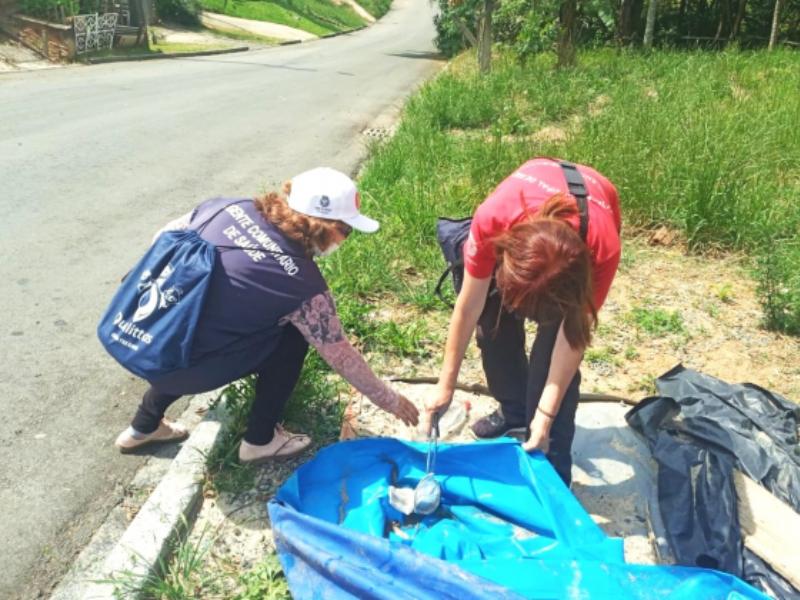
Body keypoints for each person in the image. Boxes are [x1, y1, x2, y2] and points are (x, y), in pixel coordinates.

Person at [114, 167, 419, 463]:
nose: (346, 239)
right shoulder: (302, 284)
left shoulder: (226, 207)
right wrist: (391, 401)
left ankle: (143, 425)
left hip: (144, 333)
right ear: (323, 226)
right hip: (182, 366)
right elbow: (340, 355)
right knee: (292, 338)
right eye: (346, 229)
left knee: (202, 324)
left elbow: (163, 237)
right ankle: (259, 441)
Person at [421, 158, 621, 485]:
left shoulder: (602, 249)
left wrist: (545, 416)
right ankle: (513, 410)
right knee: (491, 326)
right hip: (518, 226)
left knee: (550, 372)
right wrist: (445, 386)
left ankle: (552, 474)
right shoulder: (492, 221)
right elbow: (468, 306)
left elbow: (572, 339)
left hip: (590, 219)